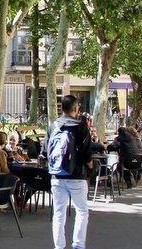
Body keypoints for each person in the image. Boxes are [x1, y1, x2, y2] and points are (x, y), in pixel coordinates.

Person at [48, 95, 93, 249]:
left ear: (62, 108)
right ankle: (78, 245)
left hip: (57, 175)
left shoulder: (54, 125)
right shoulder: (81, 126)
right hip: (77, 175)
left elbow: (45, 151)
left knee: (58, 214)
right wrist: (91, 168)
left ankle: (59, 246)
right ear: (75, 108)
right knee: (81, 211)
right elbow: (87, 154)